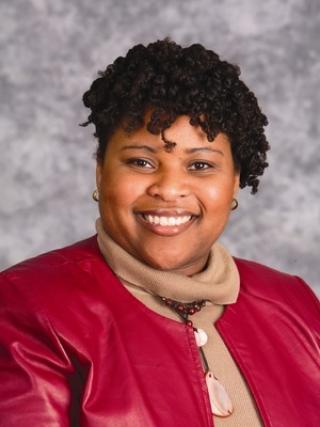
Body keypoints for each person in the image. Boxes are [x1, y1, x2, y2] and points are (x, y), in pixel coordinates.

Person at [0, 39, 319, 427]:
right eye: (141, 161)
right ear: (100, 171)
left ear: (235, 181)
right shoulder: (25, 306)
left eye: (200, 165)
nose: (169, 189)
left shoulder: (295, 303)